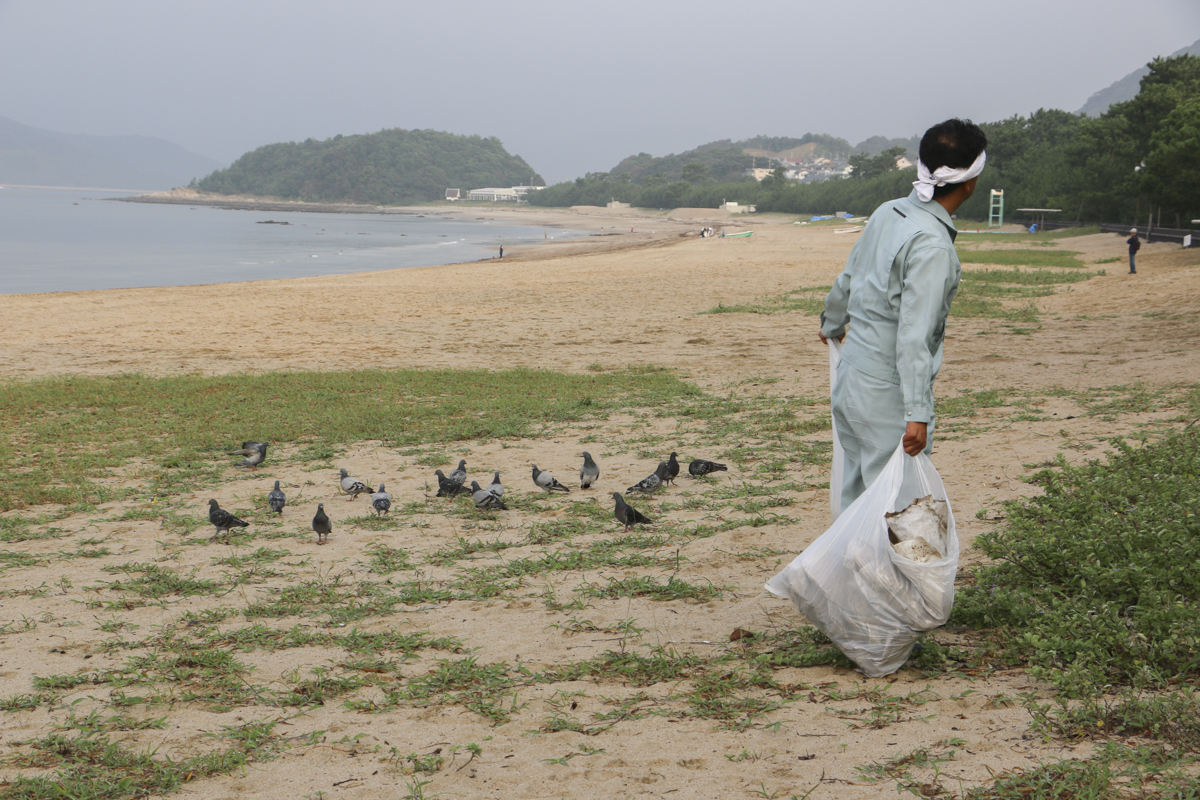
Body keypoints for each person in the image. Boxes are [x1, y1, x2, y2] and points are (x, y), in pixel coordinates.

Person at [819, 118, 988, 514]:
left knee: (857, 501)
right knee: (898, 509)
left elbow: (848, 277)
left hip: (851, 378)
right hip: (886, 395)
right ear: (970, 182)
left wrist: (831, 324)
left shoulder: (888, 212)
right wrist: (917, 413)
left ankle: (852, 556)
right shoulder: (934, 247)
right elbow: (914, 336)